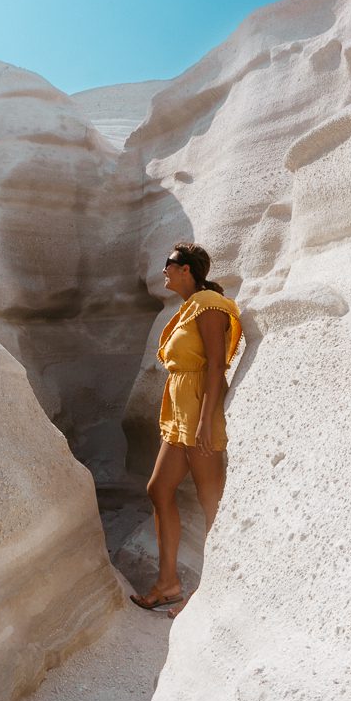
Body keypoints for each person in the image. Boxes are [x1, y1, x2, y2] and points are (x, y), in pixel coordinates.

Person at [130, 243, 242, 618]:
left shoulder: (210, 305)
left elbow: (215, 366)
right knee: (159, 488)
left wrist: (206, 421)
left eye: (169, 265)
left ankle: (209, 591)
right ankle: (168, 584)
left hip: (199, 405)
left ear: (187, 270)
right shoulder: (190, 307)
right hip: (181, 406)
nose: (164, 271)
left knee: (212, 503)